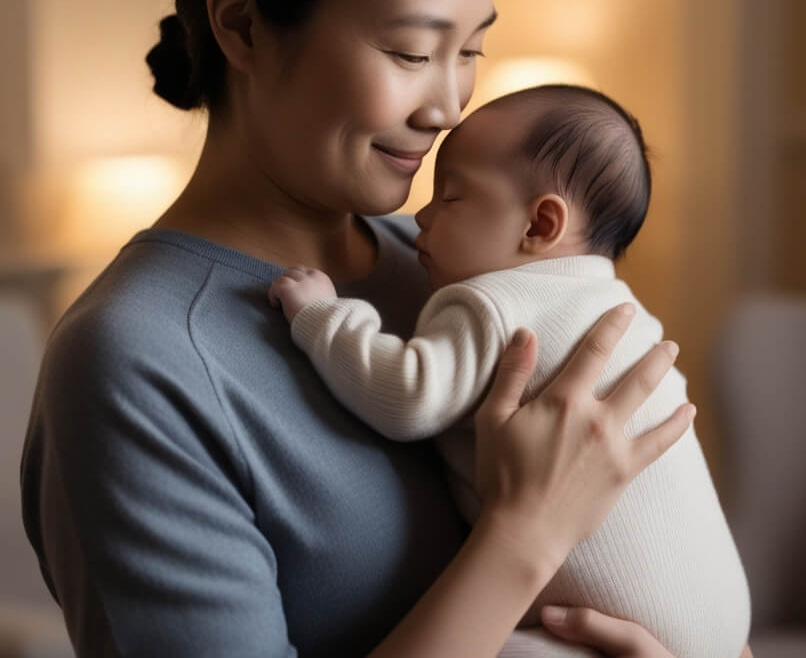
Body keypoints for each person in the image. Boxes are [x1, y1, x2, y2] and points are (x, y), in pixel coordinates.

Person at [19, 0, 719, 658]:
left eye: (471, 51)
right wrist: (524, 535)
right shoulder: (136, 361)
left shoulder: (462, 268)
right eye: (411, 51)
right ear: (240, 23)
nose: (448, 107)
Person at [270, 84, 752, 658]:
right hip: (722, 624)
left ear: (540, 225)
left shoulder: (490, 302)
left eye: (450, 197)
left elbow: (407, 395)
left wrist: (323, 316)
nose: (422, 215)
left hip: (590, 631)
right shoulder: (621, 308)